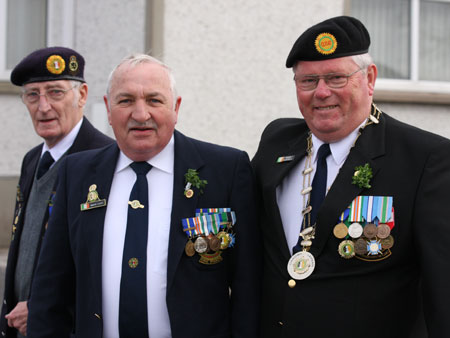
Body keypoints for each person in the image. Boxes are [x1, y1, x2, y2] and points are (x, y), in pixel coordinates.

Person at [26, 54, 261, 338]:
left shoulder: (226, 170)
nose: (140, 115)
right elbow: (50, 289)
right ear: (108, 109)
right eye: (125, 101)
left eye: (154, 100)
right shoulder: (77, 173)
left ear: (176, 107)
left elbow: (250, 288)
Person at [251, 15, 450, 338]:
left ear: (369, 78)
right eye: (308, 81)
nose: (321, 92)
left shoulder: (425, 159)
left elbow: (443, 286)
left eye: (336, 78)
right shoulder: (276, 141)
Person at [0, 47, 113, 337]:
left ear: (82, 95)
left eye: (55, 92)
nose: (43, 106)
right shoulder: (32, 160)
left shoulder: (104, 160)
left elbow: (102, 261)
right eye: (33, 95)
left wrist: (41, 306)